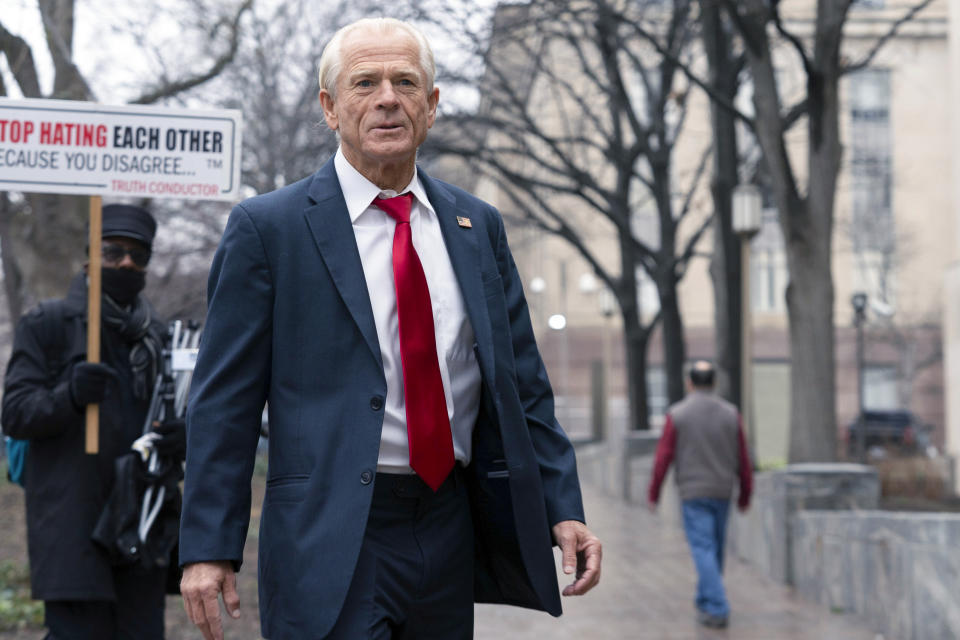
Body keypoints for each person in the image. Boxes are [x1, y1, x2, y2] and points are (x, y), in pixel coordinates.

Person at [178, 16, 602, 640]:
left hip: (447, 523)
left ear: (431, 107)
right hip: (330, 530)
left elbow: (522, 385)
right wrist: (208, 547)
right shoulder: (269, 229)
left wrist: (562, 506)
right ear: (330, 107)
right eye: (364, 82)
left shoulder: (476, 226)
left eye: (406, 82)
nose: (386, 99)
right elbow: (224, 403)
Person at [1, 204, 185, 640]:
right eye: (113, 251)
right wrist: (68, 395)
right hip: (74, 528)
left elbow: (173, 416)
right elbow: (15, 413)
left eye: (138, 255)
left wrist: (184, 435)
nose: (126, 262)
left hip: (140, 526)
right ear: (89, 258)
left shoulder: (157, 337)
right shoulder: (48, 324)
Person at [647, 360, 753, 629]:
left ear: (690, 383)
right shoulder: (731, 413)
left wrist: (654, 491)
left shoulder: (678, 414)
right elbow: (743, 456)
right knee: (713, 548)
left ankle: (716, 607)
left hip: (693, 492)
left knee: (704, 548)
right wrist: (745, 493)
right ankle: (706, 600)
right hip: (722, 491)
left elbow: (663, 456)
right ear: (714, 382)